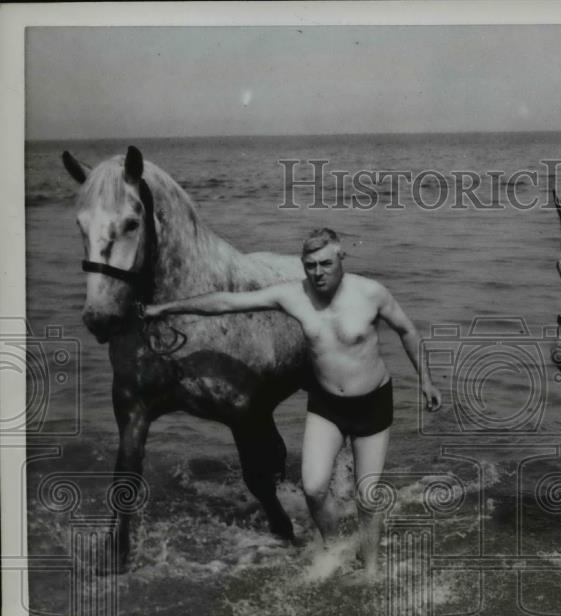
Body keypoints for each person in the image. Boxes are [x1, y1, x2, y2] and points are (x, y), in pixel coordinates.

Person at [143, 227, 443, 559]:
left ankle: (369, 570)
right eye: (311, 265)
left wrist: (425, 380)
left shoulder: (372, 293)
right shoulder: (293, 296)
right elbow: (227, 302)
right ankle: (335, 549)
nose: (318, 273)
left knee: (367, 497)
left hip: (372, 404)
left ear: (341, 257)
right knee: (314, 489)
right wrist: (164, 309)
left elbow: (406, 329)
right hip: (327, 405)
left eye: (326, 264)